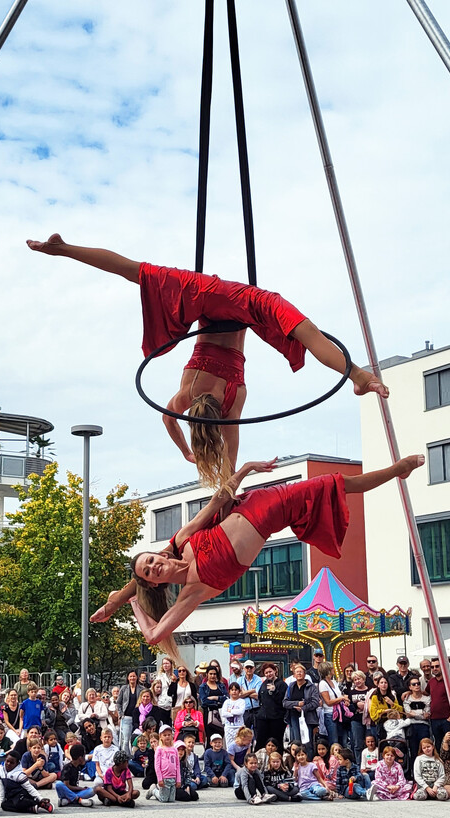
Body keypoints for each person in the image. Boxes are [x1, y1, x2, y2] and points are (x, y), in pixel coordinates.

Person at [26, 236, 389, 484]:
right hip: (210, 298)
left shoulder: (232, 400)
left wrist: (224, 483)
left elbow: (230, 453)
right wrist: (186, 450)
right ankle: (63, 248)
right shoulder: (185, 398)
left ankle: (358, 375)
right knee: (137, 271)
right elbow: (169, 421)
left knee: (307, 334)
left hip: (244, 303)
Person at [93, 455, 425, 663]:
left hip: (257, 501)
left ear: (157, 554)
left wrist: (246, 469)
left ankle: (397, 470)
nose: (154, 565)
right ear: (152, 582)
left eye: (151, 559)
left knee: (332, 483)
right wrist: (131, 601)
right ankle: (397, 471)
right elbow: (153, 636)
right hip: (271, 519)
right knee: (330, 486)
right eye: (149, 571)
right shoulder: (193, 591)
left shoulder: (182, 540)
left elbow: (217, 501)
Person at [255, 663, 287, 750]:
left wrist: (275, 691)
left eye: (270, 671)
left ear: (275, 671)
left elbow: (283, 701)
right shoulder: (264, 684)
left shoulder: (282, 684)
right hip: (263, 717)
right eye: (266, 673)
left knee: (276, 741)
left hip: (276, 718)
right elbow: (260, 697)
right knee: (261, 740)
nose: (268, 674)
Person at [147, 725, 180, 802]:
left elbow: (177, 765)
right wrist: (160, 779)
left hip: (173, 777)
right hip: (164, 777)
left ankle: (160, 791)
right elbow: (157, 765)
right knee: (163, 799)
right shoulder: (159, 749)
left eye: (169, 735)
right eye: (164, 735)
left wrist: (178, 779)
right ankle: (154, 791)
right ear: (160, 737)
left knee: (171, 800)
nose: (167, 737)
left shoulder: (174, 749)